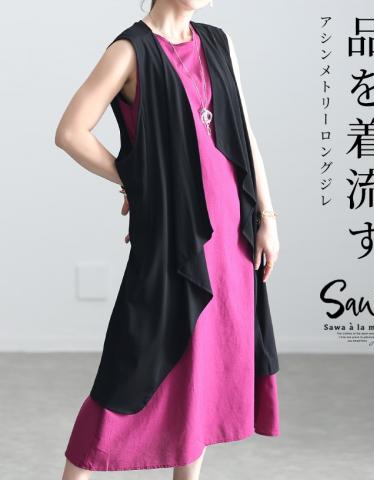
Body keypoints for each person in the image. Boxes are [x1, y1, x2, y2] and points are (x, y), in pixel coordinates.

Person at [55, 1, 281, 479]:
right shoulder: (129, 51)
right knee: (130, 363)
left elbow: (245, 134)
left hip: (232, 235)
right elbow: (71, 131)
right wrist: (137, 181)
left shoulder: (218, 42)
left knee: (205, 363)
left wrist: (267, 216)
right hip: (172, 235)